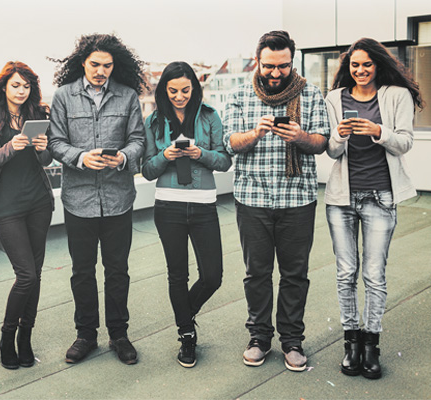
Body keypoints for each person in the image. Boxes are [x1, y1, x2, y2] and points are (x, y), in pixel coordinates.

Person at [223, 31, 329, 372]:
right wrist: (255, 133)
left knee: (295, 274)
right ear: (258, 61)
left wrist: (299, 136)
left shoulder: (311, 95)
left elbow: (321, 142)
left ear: (291, 62)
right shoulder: (239, 95)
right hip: (252, 199)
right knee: (257, 273)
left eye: (283, 66)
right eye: (269, 66)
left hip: (297, 199)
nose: (275, 73)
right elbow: (230, 143)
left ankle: (292, 341)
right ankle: (258, 338)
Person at [324, 38, 423, 380]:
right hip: (342, 199)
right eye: (355, 65)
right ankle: (351, 344)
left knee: (374, 275)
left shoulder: (397, 95)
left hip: (381, 196)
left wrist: (379, 131)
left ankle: (371, 346)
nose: (361, 71)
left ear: (377, 64)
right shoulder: (334, 99)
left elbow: (405, 142)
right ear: (348, 67)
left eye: (366, 64)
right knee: (345, 272)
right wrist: (338, 136)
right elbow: (333, 152)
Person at [48, 33, 146, 365]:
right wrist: (79, 157)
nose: (101, 71)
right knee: (82, 272)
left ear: (114, 65)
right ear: (82, 63)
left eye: (107, 65)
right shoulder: (63, 96)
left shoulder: (129, 96)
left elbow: (138, 141)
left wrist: (121, 158)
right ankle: (85, 335)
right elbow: (55, 143)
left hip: (119, 199)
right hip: (78, 200)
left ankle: (119, 334)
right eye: (95, 65)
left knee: (118, 270)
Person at [141, 61, 231, 368]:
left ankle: (184, 314)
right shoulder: (153, 121)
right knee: (177, 274)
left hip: (204, 204)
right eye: (173, 91)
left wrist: (199, 154)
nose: (180, 96)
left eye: (185, 90)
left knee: (213, 276)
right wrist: (165, 155)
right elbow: (147, 170)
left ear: (195, 88)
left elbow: (224, 161)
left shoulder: (209, 116)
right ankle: (187, 335)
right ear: (164, 91)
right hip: (168, 205)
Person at [0, 61, 54, 369]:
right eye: (16, 85)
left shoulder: (37, 113)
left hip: (38, 202)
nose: (21, 91)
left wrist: (41, 147)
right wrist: (11, 146)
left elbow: (47, 160)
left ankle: (26, 339)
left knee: (35, 276)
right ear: (4, 86)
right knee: (25, 275)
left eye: (26, 86)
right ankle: (7, 336)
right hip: (7, 206)